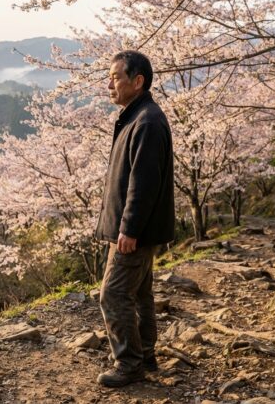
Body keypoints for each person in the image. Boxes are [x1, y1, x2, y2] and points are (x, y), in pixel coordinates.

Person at [94, 50, 175, 388]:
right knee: (139, 293)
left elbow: (144, 182)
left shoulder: (146, 121)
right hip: (134, 229)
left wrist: (128, 228)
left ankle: (129, 364)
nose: (109, 84)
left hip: (134, 232)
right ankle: (145, 354)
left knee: (112, 295)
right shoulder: (137, 116)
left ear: (137, 81)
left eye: (115, 77)